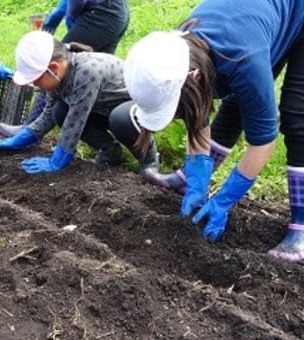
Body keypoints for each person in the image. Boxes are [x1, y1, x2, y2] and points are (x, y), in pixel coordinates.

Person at [122, 0, 304, 263]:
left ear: (194, 76)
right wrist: (196, 177)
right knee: (238, 99)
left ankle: (301, 226)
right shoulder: (178, 51)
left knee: (297, 115)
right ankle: (188, 179)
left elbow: (264, 142)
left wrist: (224, 200)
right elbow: (196, 104)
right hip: (257, 25)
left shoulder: (242, 59)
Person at [0, 31, 158, 180]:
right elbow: (48, 113)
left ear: (53, 68)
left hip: (131, 109)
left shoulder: (87, 72)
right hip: (101, 108)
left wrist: (57, 161)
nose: (35, 84)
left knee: (119, 119)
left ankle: (149, 160)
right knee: (59, 112)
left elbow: (76, 120)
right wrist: (23, 137)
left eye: (36, 79)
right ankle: (110, 151)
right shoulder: (57, 80)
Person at [0, 0, 129, 137]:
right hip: (116, 11)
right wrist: (60, 12)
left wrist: (70, 16)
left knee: (50, 63)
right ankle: (102, 139)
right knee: (96, 83)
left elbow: (76, 5)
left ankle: (31, 127)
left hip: (100, 14)